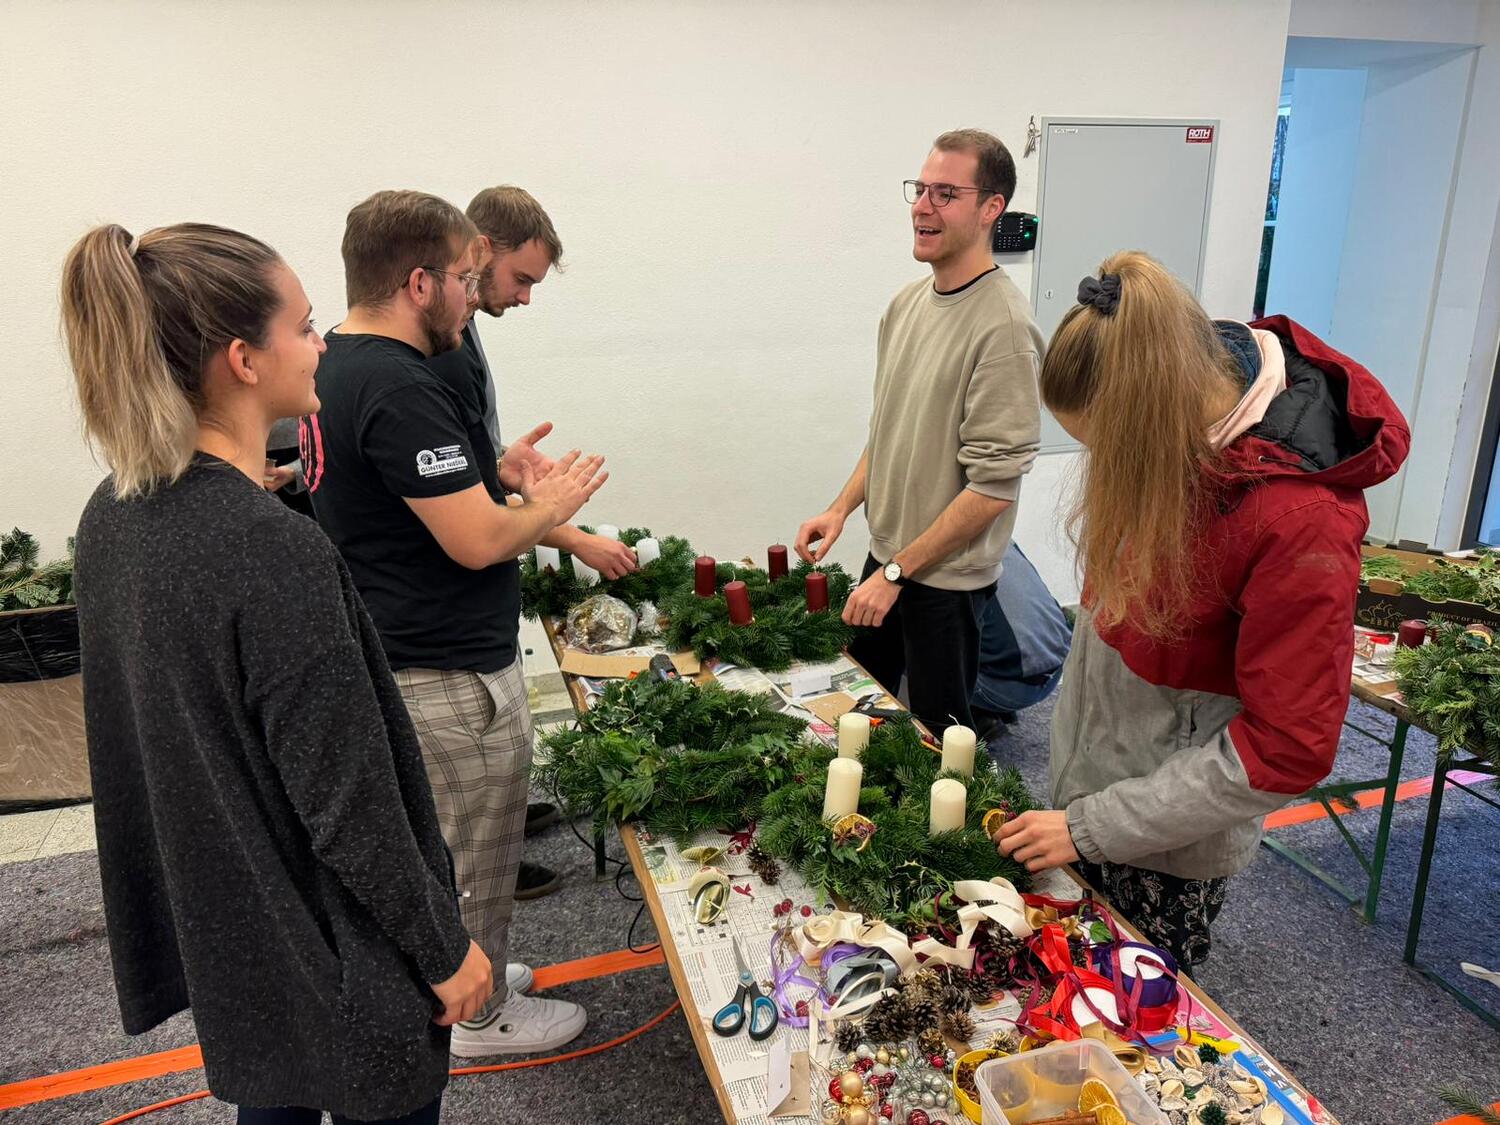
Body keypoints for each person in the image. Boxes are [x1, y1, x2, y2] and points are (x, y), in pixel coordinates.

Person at [63, 221, 492, 1124]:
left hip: (237, 938)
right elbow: (350, 801)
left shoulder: (113, 515)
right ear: (243, 361)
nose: (322, 341)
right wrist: (444, 948)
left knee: (277, 1096)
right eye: (302, 326)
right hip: (340, 949)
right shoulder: (269, 549)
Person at [997, 251, 1410, 968]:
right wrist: (1081, 811)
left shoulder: (1301, 521)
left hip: (1165, 835)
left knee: (1132, 1009)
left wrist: (1094, 825)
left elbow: (1288, 745)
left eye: (1110, 450)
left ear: (1155, 419)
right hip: (1099, 792)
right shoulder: (1182, 375)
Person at [302, 190, 602, 1056]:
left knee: (458, 844)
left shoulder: (343, 361)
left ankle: (476, 972)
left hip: (408, 646)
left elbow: (411, 496)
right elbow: (478, 541)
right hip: (443, 667)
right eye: (468, 281)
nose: (476, 300)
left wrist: (490, 469)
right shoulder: (398, 384)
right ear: (419, 282)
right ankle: (478, 1013)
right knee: (472, 851)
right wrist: (551, 506)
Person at [795, 128, 1042, 736]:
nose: (923, 206)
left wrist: (896, 574)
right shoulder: (905, 305)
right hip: (890, 560)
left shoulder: (1004, 329)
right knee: (860, 717)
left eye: (946, 193)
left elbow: (993, 489)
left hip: (944, 584)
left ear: (991, 208)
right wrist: (841, 508)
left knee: (937, 744)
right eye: (921, 189)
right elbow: (889, 433)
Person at [428, 188, 637, 900]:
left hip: (474, 609)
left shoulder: (461, 332)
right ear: (481, 249)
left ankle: (501, 827)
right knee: (467, 815)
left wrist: (500, 465)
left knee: (494, 768)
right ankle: (487, 869)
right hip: (444, 631)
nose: (523, 298)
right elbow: (466, 515)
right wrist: (570, 533)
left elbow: (466, 471)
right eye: (521, 279)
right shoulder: (432, 354)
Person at [971, 543, 1072, 742]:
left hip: (1004, 685)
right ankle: (990, 708)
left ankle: (972, 718)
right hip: (1055, 670)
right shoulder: (1002, 536)